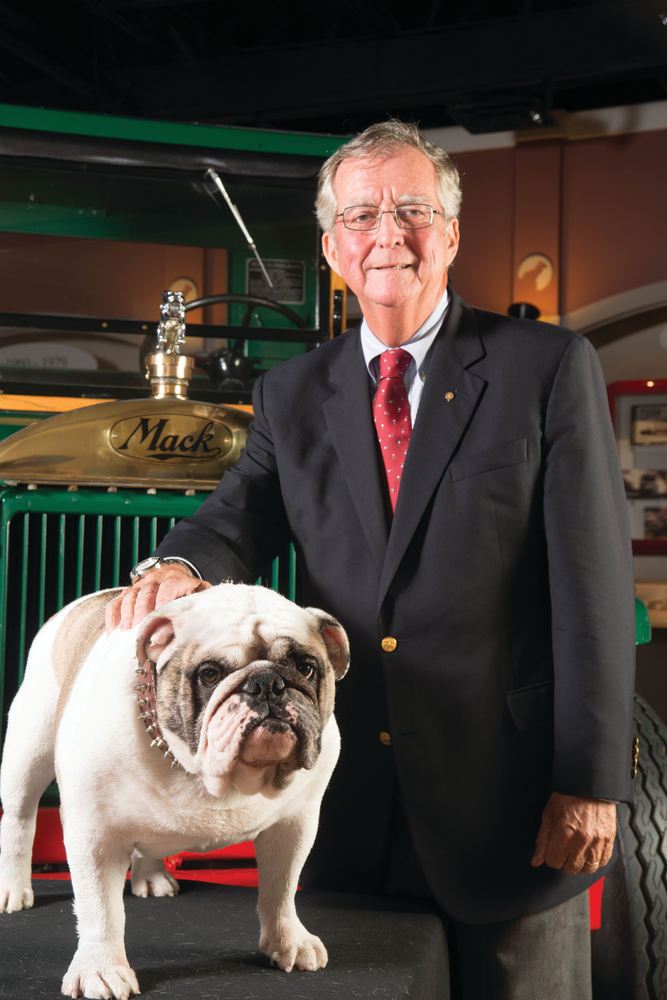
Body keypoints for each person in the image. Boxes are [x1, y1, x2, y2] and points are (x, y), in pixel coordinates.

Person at [106, 121, 635, 999]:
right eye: (360, 216)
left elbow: (593, 592)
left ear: (450, 234)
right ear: (331, 248)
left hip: (506, 810)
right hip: (342, 803)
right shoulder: (291, 391)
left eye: (412, 211)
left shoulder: (544, 367)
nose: (388, 234)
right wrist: (178, 566)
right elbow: (241, 509)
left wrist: (588, 783)